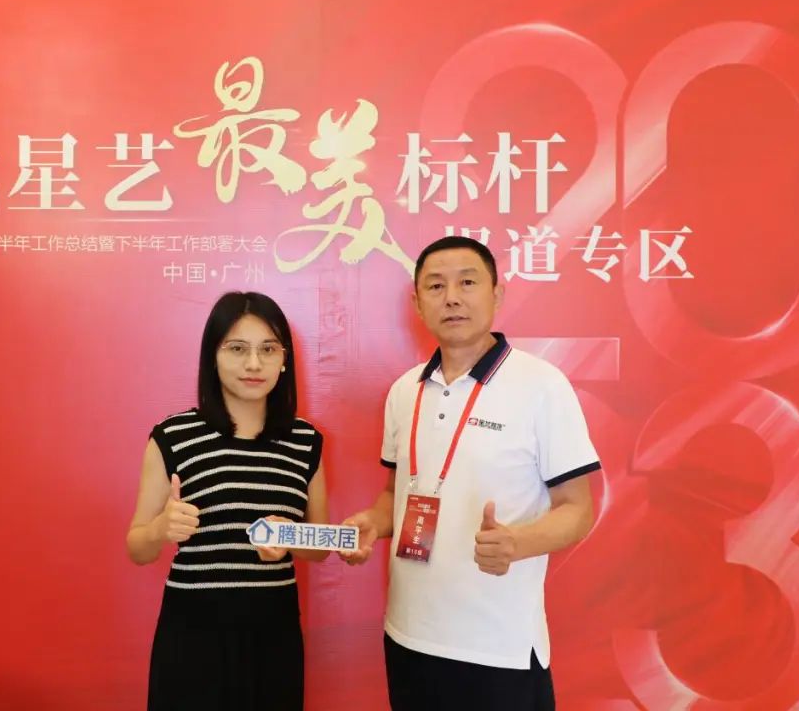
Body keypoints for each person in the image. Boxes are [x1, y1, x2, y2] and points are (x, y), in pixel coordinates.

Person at [341, 236, 600, 710]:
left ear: (496, 294)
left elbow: (578, 508)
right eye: (436, 286)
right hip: (408, 635)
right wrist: (372, 523)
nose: (452, 298)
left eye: (467, 282)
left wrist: (518, 543)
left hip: (497, 647)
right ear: (417, 303)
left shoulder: (542, 386)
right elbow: (396, 494)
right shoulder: (404, 391)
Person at [127, 291, 329, 711]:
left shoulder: (305, 441)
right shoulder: (173, 436)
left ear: (284, 360)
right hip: (193, 636)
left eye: (268, 349)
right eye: (237, 349)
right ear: (213, 357)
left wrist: (290, 538)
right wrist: (161, 528)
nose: (254, 364)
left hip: (273, 636)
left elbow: (318, 548)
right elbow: (137, 547)